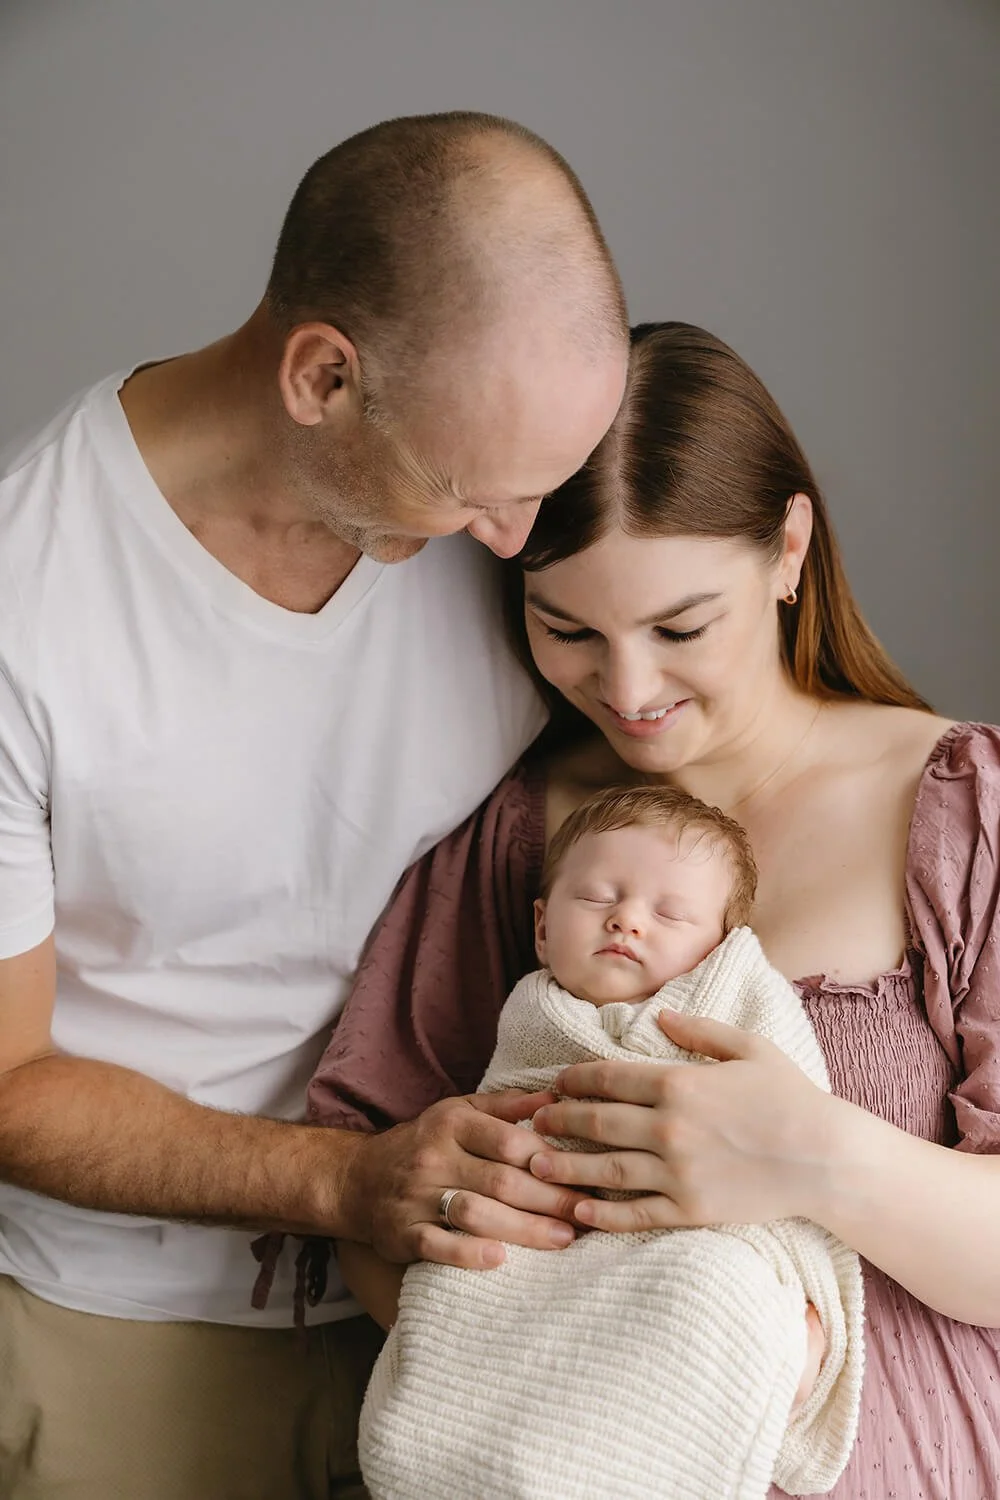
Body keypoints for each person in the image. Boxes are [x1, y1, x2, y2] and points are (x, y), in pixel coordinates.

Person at [0, 112, 628, 1500]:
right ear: (323, 375)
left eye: (544, 490)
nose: (525, 547)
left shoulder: (496, 525)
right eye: (475, 493)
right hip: (128, 1339)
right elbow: (4, 1082)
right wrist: (349, 1183)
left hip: (473, 1311)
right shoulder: (22, 609)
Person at [307, 322, 1000, 1499]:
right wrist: (510, 1277)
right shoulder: (520, 840)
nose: (626, 692)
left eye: (681, 627)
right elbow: (366, 1192)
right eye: (566, 629)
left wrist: (807, 1155)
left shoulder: (957, 809)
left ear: (789, 549)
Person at [353, 784, 864, 1500]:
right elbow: (503, 1126)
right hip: (541, 1240)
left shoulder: (740, 1003)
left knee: (706, 1286)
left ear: (720, 948)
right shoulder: (532, 1012)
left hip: (683, 1238)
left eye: (670, 913)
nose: (626, 919)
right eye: (597, 898)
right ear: (540, 927)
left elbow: (797, 1132)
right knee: (466, 1280)